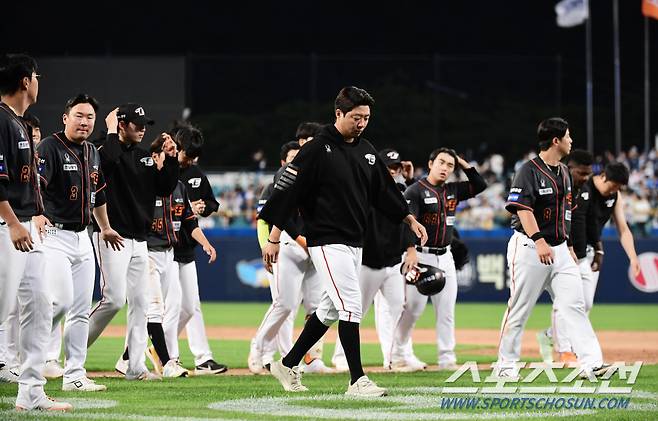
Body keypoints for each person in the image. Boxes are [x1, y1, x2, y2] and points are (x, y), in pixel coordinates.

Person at [260, 86, 427, 396]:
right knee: (351, 307)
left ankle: (288, 363)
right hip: (325, 240)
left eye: (366, 117)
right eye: (356, 117)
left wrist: (409, 218)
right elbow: (286, 192)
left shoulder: (366, 150)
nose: (362, 123)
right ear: (338, 114)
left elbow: (385, 191)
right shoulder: (315, 149)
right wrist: (273, 237)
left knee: (330, 310)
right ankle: (357, 380)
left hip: (354, 241)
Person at [495, 117, 607, 379]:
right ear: (555, 140)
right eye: (568, 136)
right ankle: (506, 365)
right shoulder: (529, 170)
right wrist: (539, 240)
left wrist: (566, 244)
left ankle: (591, 362)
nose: (571, 141)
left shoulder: (565, 172)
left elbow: (565, 212)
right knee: (520, 307)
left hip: (559, 250)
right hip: (530, 248)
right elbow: (522, 209)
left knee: (574, 305)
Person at [36, 93, 123, 392]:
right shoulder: (49, 145)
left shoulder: (92, 152)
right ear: (65, 117)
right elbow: (36, 184)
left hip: (83, 237)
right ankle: (33, 353)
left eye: (90, 118)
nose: (84, 122)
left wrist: (106, 227)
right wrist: (36, 214)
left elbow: (97, 194)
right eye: (79, 115)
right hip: (54, 235)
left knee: (80, 309)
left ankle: (74, 374)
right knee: (59, 301)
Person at [0, 53, 72, 411]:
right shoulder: (1, 120)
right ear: (26, 80)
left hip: (25, 226)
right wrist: (12, 222)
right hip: (7, 226)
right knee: (2, 310)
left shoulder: (19, 122)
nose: (39, 81)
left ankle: (30, 392)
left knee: (41, 305)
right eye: (36, 75)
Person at [87, 104, 179, 381]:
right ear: (121, 124)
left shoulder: (144, 158)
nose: (142, 129)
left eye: (144, 125)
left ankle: (136, 366)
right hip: (111, 234)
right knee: (113, 299)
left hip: (139, 240)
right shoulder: (102, 149)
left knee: (140, 303)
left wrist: (172, 159)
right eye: (136, 124)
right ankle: (72, 354)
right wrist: (112, 130)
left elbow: (164, 188)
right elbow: (110, 163)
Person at [391, 147, 486, 371]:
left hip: (446, 256)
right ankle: (398, 353)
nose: (445, 168)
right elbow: (408, 221)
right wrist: (410, 250)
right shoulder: (415, 190)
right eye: (441, 162)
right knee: (413, 309)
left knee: (446, 311)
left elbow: (480, 185)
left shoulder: (453, 190)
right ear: (431, 163)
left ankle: (447, 358)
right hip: (421, 256)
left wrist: (464, 164)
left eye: (450, 165)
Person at [537, 157, 641, 363]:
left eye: (618, 187)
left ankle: (550, 334)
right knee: (566, 301)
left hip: (590, 252)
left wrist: (633, 256)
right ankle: (564, 350)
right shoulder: (580, 187)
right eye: (613, 185)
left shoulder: (615, 196)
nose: (614, 190)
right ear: (602, 176)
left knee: (585, 304)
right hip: (570, 252)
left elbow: (623, 229)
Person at [331, 148, 419, 371]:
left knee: (397, 309)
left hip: (392, 263)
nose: (392, 172)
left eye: (395, 168)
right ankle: (341, 357)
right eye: (388, 168)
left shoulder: (400, 192)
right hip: (367, 263)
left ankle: (393, 358)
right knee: (354, 311)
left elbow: (407, 220)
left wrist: (410, 249)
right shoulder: (365, 190)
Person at [250, 139, 332, 375]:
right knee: (284, 304)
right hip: (289, 244)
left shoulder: (319, 176)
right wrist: (276, 242)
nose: (298, 161)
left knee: (316, 308)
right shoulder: (284, 176)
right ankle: (258, 349)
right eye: (294, 157)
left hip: (314, 245)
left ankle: (311, 359)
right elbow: (278, 214)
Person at [163, 122, 226, 375]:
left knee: (189, 306)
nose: (192, 160)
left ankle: (167, 350)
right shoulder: (163, 169)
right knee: (169, 306)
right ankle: (170, 356)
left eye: (195, 155)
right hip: (163, 246)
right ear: (176, 148)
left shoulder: (195, 172)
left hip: (187, 244)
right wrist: (189, 206)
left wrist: (203, 208)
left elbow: (212, 203)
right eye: (188, 154)